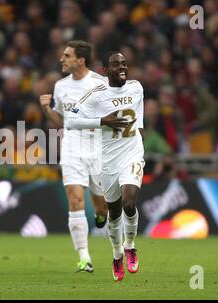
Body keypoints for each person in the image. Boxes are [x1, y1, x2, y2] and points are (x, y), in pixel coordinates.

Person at [65, 51, 144, 282]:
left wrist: (140, 138)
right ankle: (117, 254)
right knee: (115, 212)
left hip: (132, 153)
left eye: (124, 63)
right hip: (107, 159)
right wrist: (102, 121)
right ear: (105, 71)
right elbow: (71, 119)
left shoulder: (136, 87)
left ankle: (130, 247)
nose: (122, 67)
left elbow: (139, 117)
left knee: (130, 203)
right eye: (116, 64)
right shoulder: (96, 95)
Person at [39, 40, 109, 273]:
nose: (62, 60)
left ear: (81, 60)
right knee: (75, 200)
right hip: (72, 147)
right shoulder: (61, 86)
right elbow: (62, 123)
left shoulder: (101, 85)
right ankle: (84, 257)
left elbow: (111, 118)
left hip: (97, 146)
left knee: (101, 207)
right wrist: (48, 110)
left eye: (67, 56)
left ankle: (101, 215)